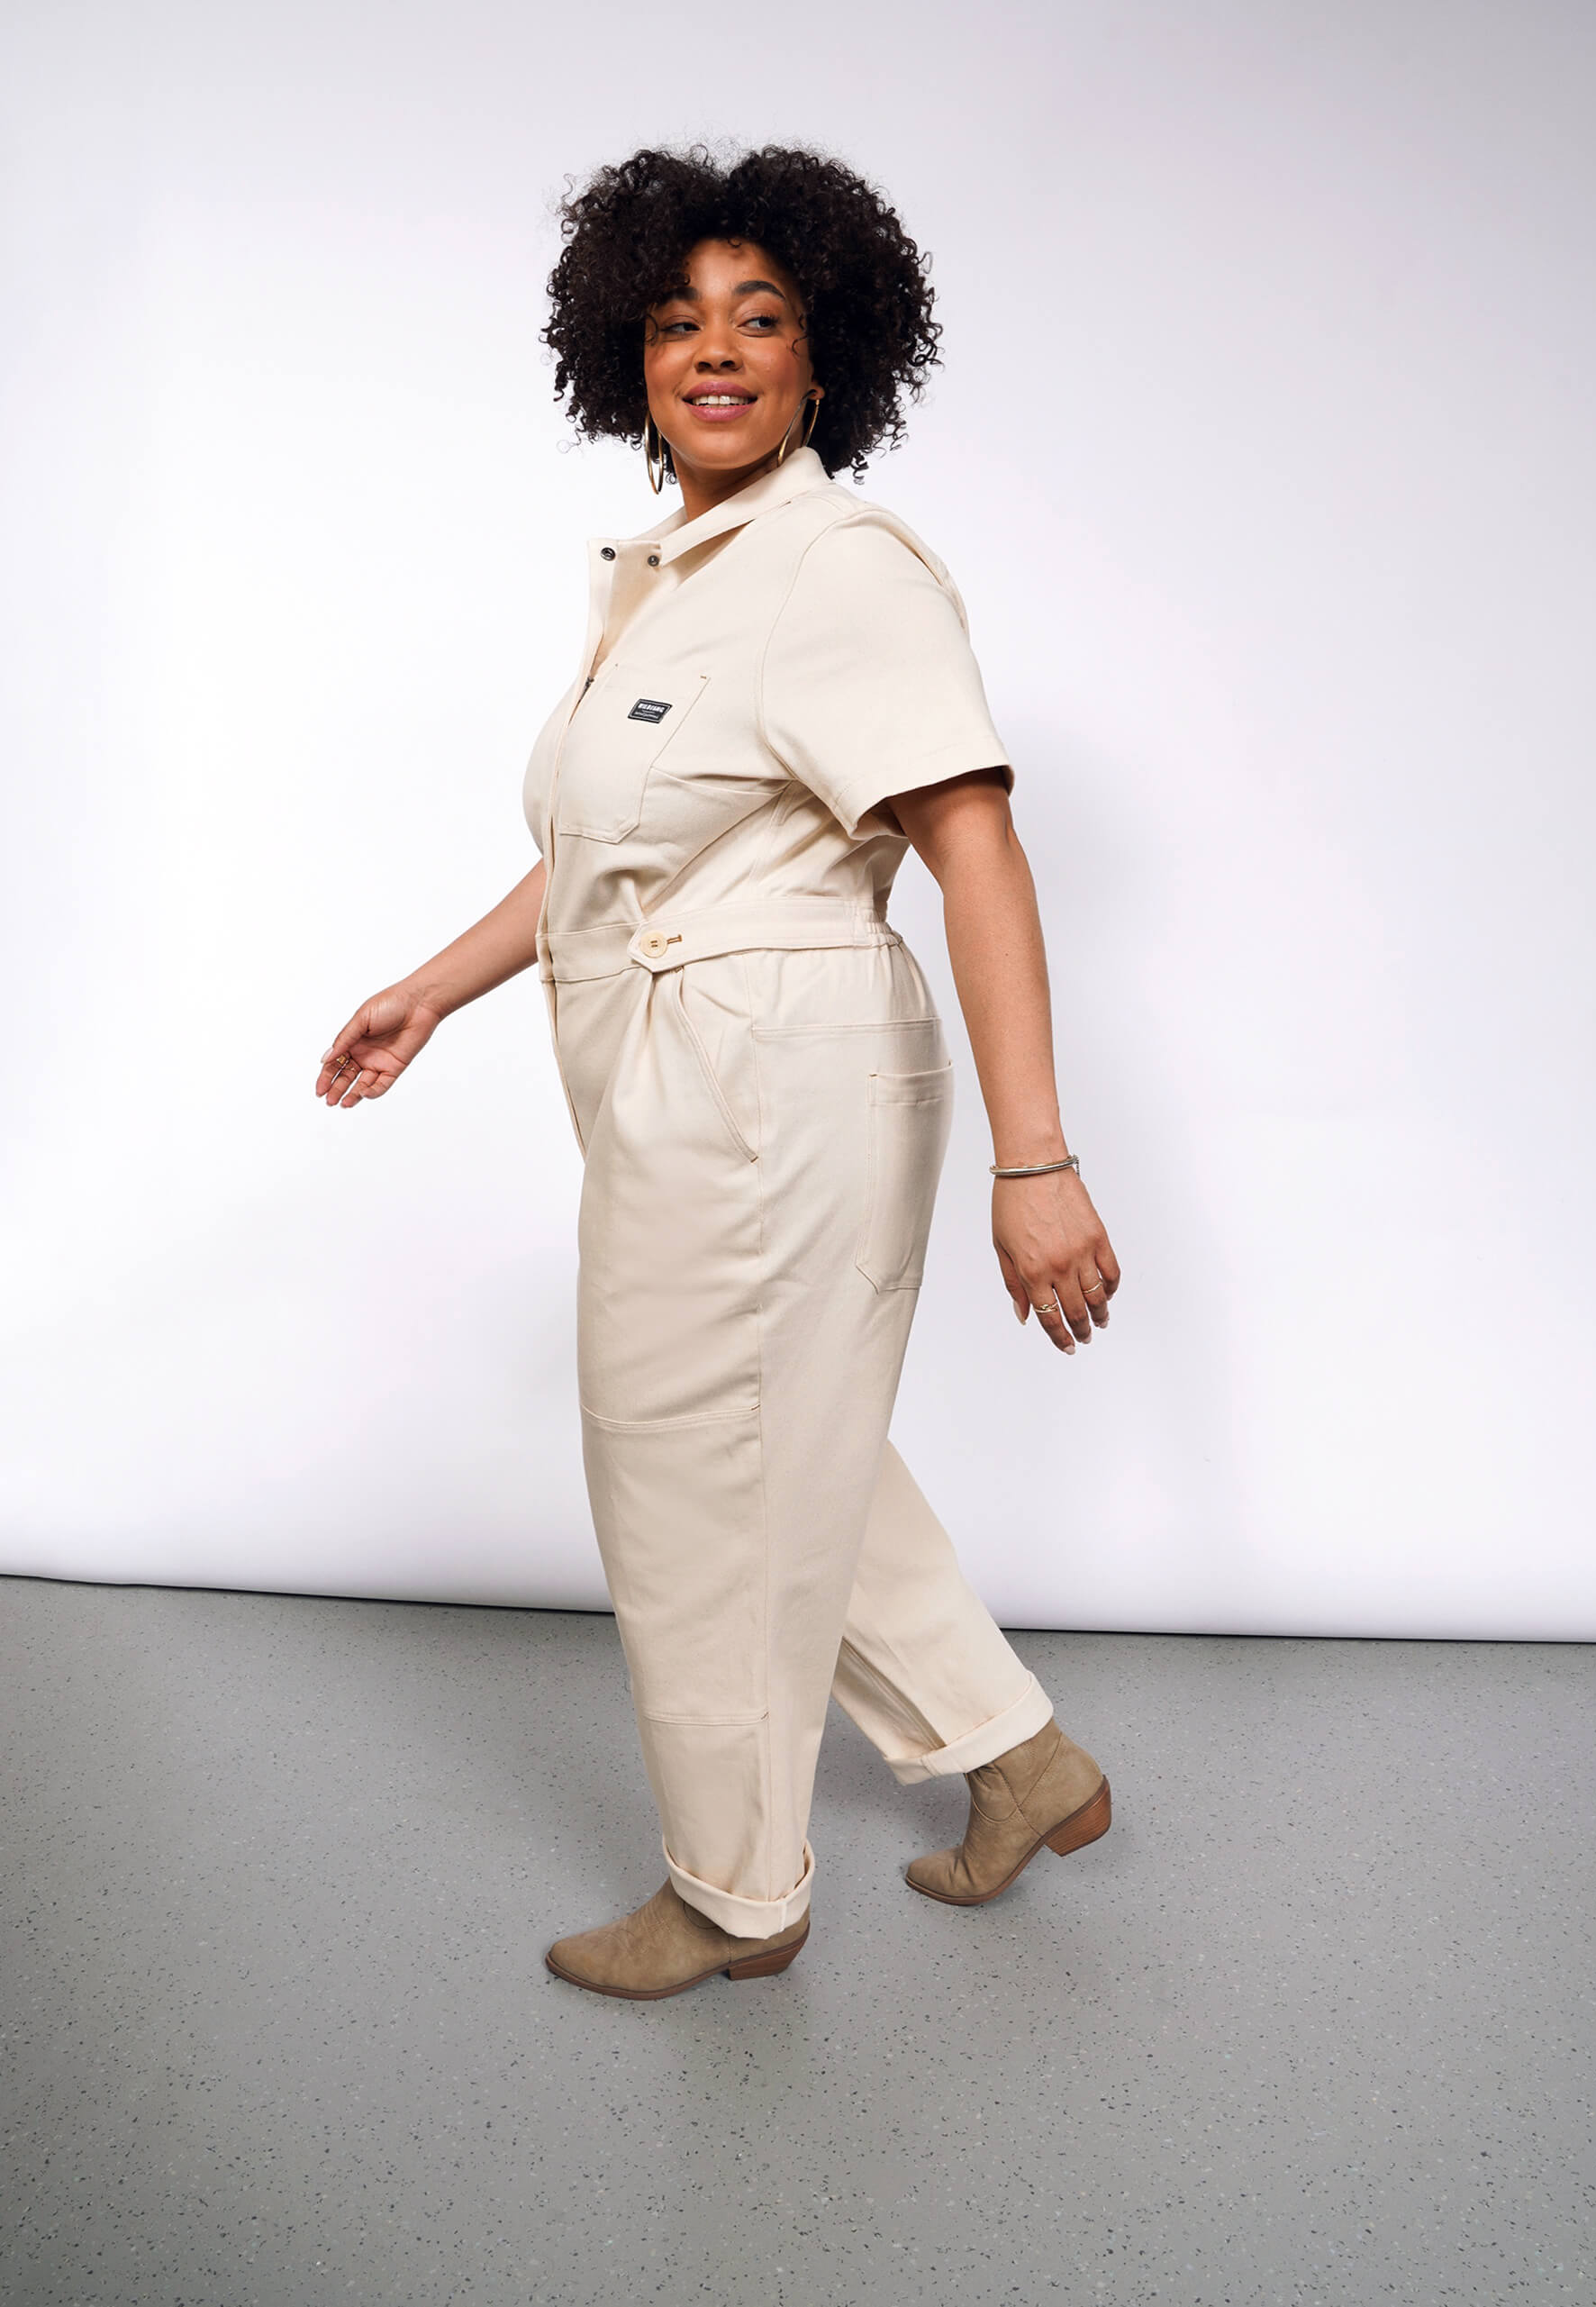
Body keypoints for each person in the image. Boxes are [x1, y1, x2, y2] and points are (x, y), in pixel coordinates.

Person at [316, 145, 1122, 2002]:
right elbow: (614, 848)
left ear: (825, 357)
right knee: (788, 1449)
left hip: (780, 1086)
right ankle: (1022, 1762)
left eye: (761, 320)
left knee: (692, 1475)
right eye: (677, 322)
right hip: (686, 1077)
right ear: (627, 355)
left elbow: (973, 842)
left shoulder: (837, 568)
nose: (716, 351)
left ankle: (737, 1896)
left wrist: (1039, 1161)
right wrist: (433, 991)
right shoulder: (668, 582)